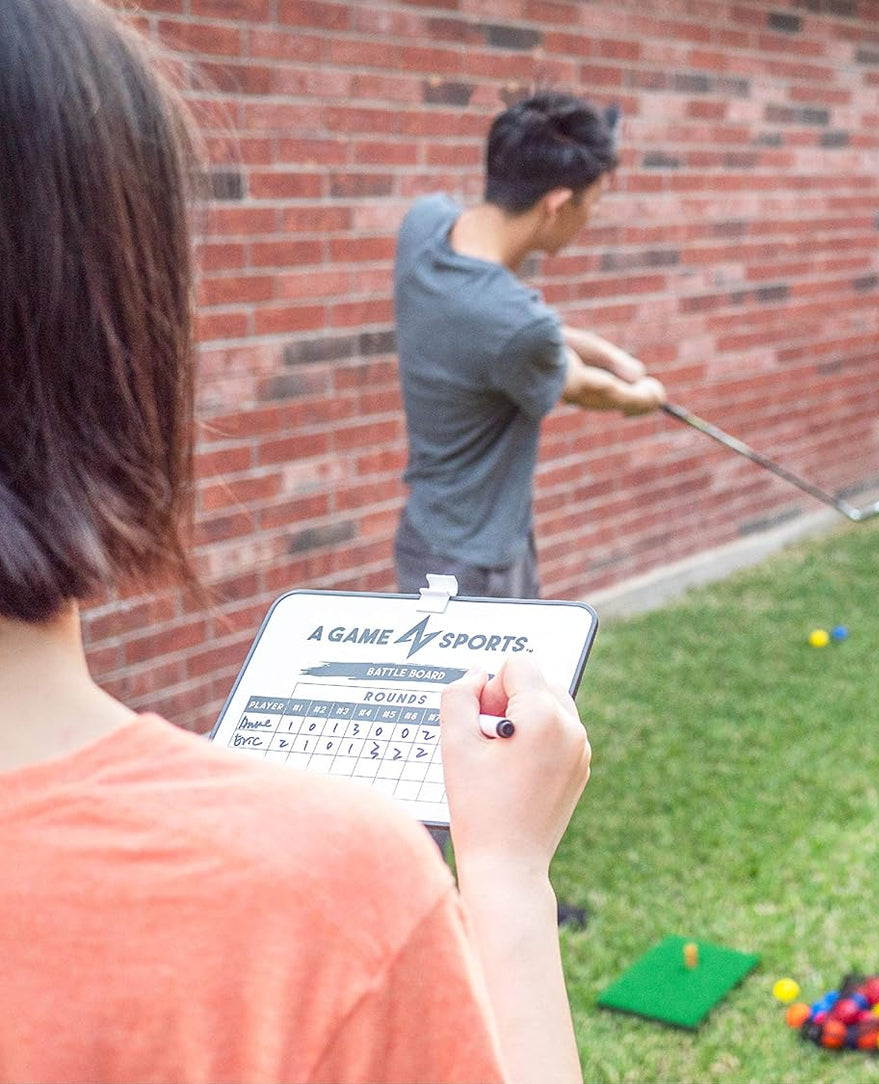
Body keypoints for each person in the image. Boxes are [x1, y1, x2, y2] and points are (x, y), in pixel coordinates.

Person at [0, 2, 589, 1081]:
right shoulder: (322, 890)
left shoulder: (429, 238)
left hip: (428, 535)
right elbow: (556, 361)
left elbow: (533, 326)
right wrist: (505, 877)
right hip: (480, 548)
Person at [392, 91, 667, 601]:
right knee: (503, 684)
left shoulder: (424, 224)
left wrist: (610, 353)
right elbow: (586, 389)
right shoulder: (518, 328)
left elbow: (500, 328)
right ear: (557, 204)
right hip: (478, 563)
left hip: (427, 537)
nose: (591, 218)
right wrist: (643, 397)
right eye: (593, 203)